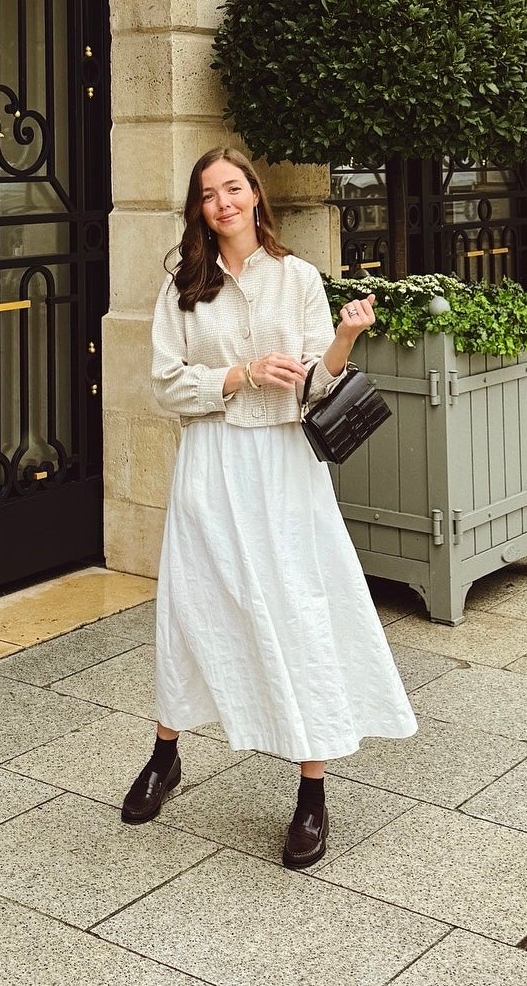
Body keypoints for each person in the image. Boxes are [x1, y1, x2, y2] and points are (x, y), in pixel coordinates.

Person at [120, 146, 417, 868]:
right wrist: (241, 374)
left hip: (284, 469)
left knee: (299, 612)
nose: (223, 202)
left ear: (255, 194)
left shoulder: (298, 278)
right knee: (193, 609)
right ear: (199, 209)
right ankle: (166, 753)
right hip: (214, 461)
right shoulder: (183, 286)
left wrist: (345, 336)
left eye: (233, 188)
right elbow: (166, 385)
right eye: (208, 194)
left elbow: (318, 385)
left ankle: (311, 792)